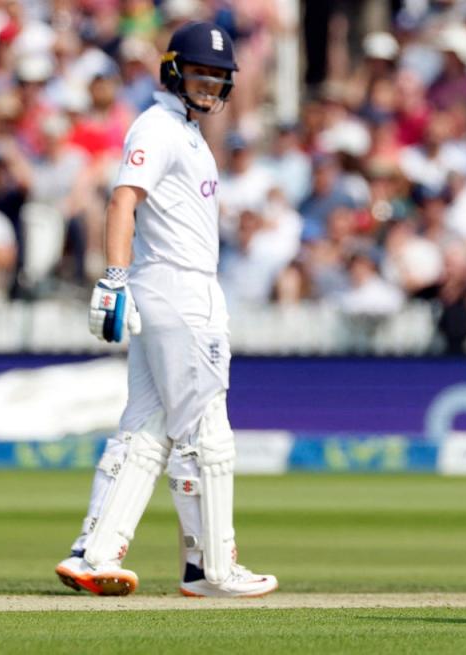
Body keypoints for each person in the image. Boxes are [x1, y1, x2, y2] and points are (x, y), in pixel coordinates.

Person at [54, 21, 277, 598]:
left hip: (172, 292)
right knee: (207, 434)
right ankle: (214, 569)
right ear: (175, 69)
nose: (210, 86)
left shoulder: (186, 130)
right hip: (180, 294)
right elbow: (124, 197)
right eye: (201, 73)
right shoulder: (159, 126)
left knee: (145, 429)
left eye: (219, 77)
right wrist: (113, 277)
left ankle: (93, 554)